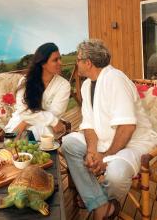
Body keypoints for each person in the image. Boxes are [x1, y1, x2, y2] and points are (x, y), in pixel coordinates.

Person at [61, 39, 157, 220]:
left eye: (78, 60)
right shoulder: (88, 84)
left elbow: (127, 127)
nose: (77, 64)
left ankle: (102, 202)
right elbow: (88, 124)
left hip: (133, 143)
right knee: (69, 143)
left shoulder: (116, 79)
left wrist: (105, 157)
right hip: (104, 141)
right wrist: (91, 151)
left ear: (87, 63)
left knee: (116, 175)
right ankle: (100, 204)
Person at [0, 42, 71, 141]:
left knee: (36, 134)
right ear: (43, 63)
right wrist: (24, 121)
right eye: (55, 60)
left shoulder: (64, 85)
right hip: (21, 121)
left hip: (45, 126)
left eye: (60, 59)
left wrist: (24, 123)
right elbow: (23, 111)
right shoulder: (26, 81)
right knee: (12, 139)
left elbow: (55, 113)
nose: (60, 63)